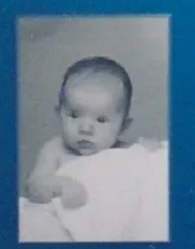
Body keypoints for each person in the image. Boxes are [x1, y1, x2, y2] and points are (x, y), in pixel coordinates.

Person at [25, 57, 134, 210]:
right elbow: (34, 186)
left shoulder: (124, 152)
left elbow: (146, 171)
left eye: (101, 120)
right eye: (75, 115)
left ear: (123, 126)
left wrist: (151, 152)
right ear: (59, 113)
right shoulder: (55, 150)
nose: (85, 129)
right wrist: (61, 185)